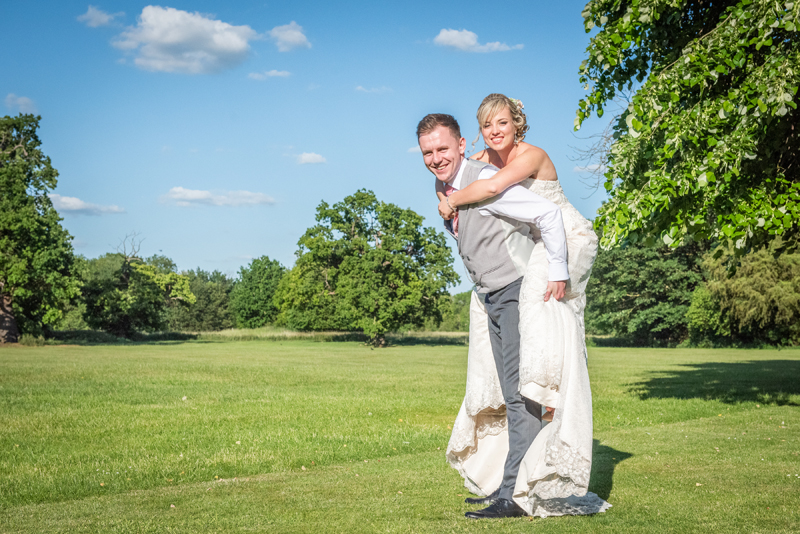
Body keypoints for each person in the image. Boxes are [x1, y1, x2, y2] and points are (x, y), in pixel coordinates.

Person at [439, 94, 608, 518]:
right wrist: (450, 184)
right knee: (517, 372)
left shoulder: (530, 156)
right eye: (487, 125)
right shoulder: (484, 158)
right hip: (534, 246)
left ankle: (518, 492)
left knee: (532, 368)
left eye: (502, 122)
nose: (495, 131)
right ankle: (512, 482)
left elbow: (492, 188)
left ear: (516, 122)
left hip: (563, 240)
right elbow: (459, 169)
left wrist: (452, 200)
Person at [417, 113, 569, 519]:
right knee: (510, 394)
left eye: (443, 149)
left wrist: (558, 271)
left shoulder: (484, 179)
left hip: (516, 293)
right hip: (492, 297)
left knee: (521, 396)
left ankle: (516, 497)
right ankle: (511, 486)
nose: (436, 158)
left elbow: (548, 214)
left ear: (461, 145)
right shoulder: (445, 185)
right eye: (428, 152)